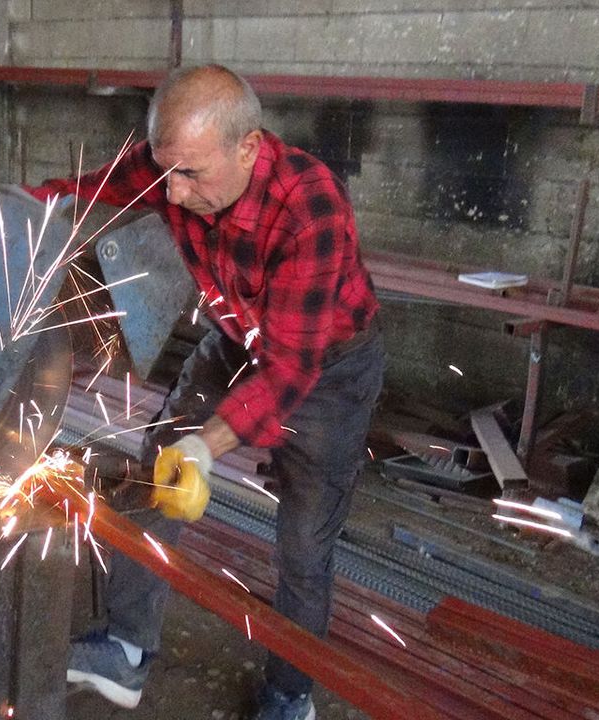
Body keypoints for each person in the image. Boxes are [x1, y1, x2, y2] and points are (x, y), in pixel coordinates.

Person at [27, 64, 384, 720]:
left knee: (304, 544)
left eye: (190, 174)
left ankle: (290, 696)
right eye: (165, 172)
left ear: (247, 148)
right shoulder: (172, 162)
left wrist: (206, 446)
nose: (173, 192)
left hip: (327, 366)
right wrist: (0, 210)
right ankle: (127, 648)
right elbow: (83, 190)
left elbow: (288, 371)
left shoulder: (310, 208)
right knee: (155, 473)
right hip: (236, 337)